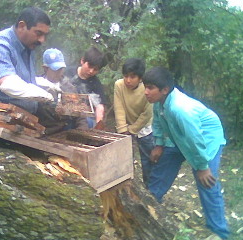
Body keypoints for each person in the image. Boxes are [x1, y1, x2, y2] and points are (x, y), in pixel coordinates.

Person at [143, 66, 229, 240]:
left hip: (206, 138)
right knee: (163, 166)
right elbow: (158, 122)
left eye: (150, 88)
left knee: (207, 182)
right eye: (145, 86)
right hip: (179, 137)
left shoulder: (180, 110)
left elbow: (194, 140)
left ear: (165, 89)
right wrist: (159, 144)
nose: (145, 92)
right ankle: (147, 209)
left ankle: (220, 231)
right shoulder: (159, 102)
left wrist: (202, 167)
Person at [0, 7, 53, 116]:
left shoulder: (27, 47)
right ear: (22, 26)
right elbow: (8, 84)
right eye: (38, 33)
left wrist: (47, 85)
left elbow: (23, 80)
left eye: (45, 35)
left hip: (21, 117)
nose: (42, 40)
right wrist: (45, 96)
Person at [113, 58, 154, 188]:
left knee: (148, 160)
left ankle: (150, 189)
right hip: (126, 127)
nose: (128, 80)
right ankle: (128, 187)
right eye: (126, 76)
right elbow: (118, 107)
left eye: (132, 77)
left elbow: (146, 114)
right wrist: (123, 129)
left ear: (140, 78)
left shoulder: (147, 89)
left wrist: (133, 129)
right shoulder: (119, 85)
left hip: (145, 128)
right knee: (124, 159)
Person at [35, 48, 88, 134]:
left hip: (65, 130)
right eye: (56, 69)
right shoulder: (35, 86)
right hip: (44, 131)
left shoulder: (69, 87)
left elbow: (80, 115)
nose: (59, 72)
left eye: (61, 69)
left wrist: (81, 130)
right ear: (45, 68)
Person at [63, 46, 108, 128]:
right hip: (63, 115)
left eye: (95, 69)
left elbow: (100, 106)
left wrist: (99, 124)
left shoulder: (96, 83)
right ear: (82, 61)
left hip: (84, 119)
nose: (91, 71)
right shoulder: (66, 73)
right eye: (90, 66)